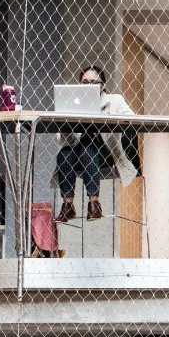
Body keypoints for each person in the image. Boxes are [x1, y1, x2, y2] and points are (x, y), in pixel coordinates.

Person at [55, 65, 134, 223]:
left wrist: (108, 120)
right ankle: (67, 205)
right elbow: (62, 140)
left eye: (93, 82)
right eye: (85, 83)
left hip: (105, 152)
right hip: (77, 151)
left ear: (102, 85)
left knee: (88, 151)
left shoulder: (115, 100)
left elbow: (132, 118)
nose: (89, 86)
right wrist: (67, 123)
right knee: (64, 154)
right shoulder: (72, 102)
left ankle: (94, 203)